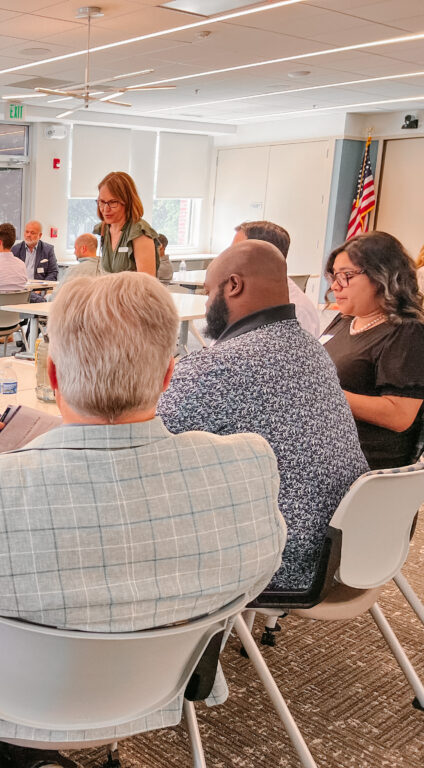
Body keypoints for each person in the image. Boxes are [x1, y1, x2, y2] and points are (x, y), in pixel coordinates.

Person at [0, 272, 286, 764]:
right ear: (168, 376)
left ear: (52, 375)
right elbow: (255, 578)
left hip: (6, 704)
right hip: (158, 694)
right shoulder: (247, 466)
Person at [158, 239, 368, 592]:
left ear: (234, 285)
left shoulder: (218, 365)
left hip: (282, 559)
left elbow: (144, 444)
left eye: (210, 293)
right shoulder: (312, 350)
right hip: (347, 545)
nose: (208, 303)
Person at [321, 231, 424, 469]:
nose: (336, 286)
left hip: (363, 466)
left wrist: (323, 394)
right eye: (334, 276)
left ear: (383, 277)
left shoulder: (407, 332)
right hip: (325, 451)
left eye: (347, 276)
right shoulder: (344, 320)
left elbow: (399, 415)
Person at [232, 220, 319, 336]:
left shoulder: (296, 312)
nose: (228, 257)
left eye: (236, 251)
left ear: (263, 256)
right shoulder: (250, 293)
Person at [93, 171, 157, 276]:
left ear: (127, 201)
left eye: (113, 202)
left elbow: (146, 284)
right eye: (102, 202)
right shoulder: (104, 229)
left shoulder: (139, 231)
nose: (105, 209)